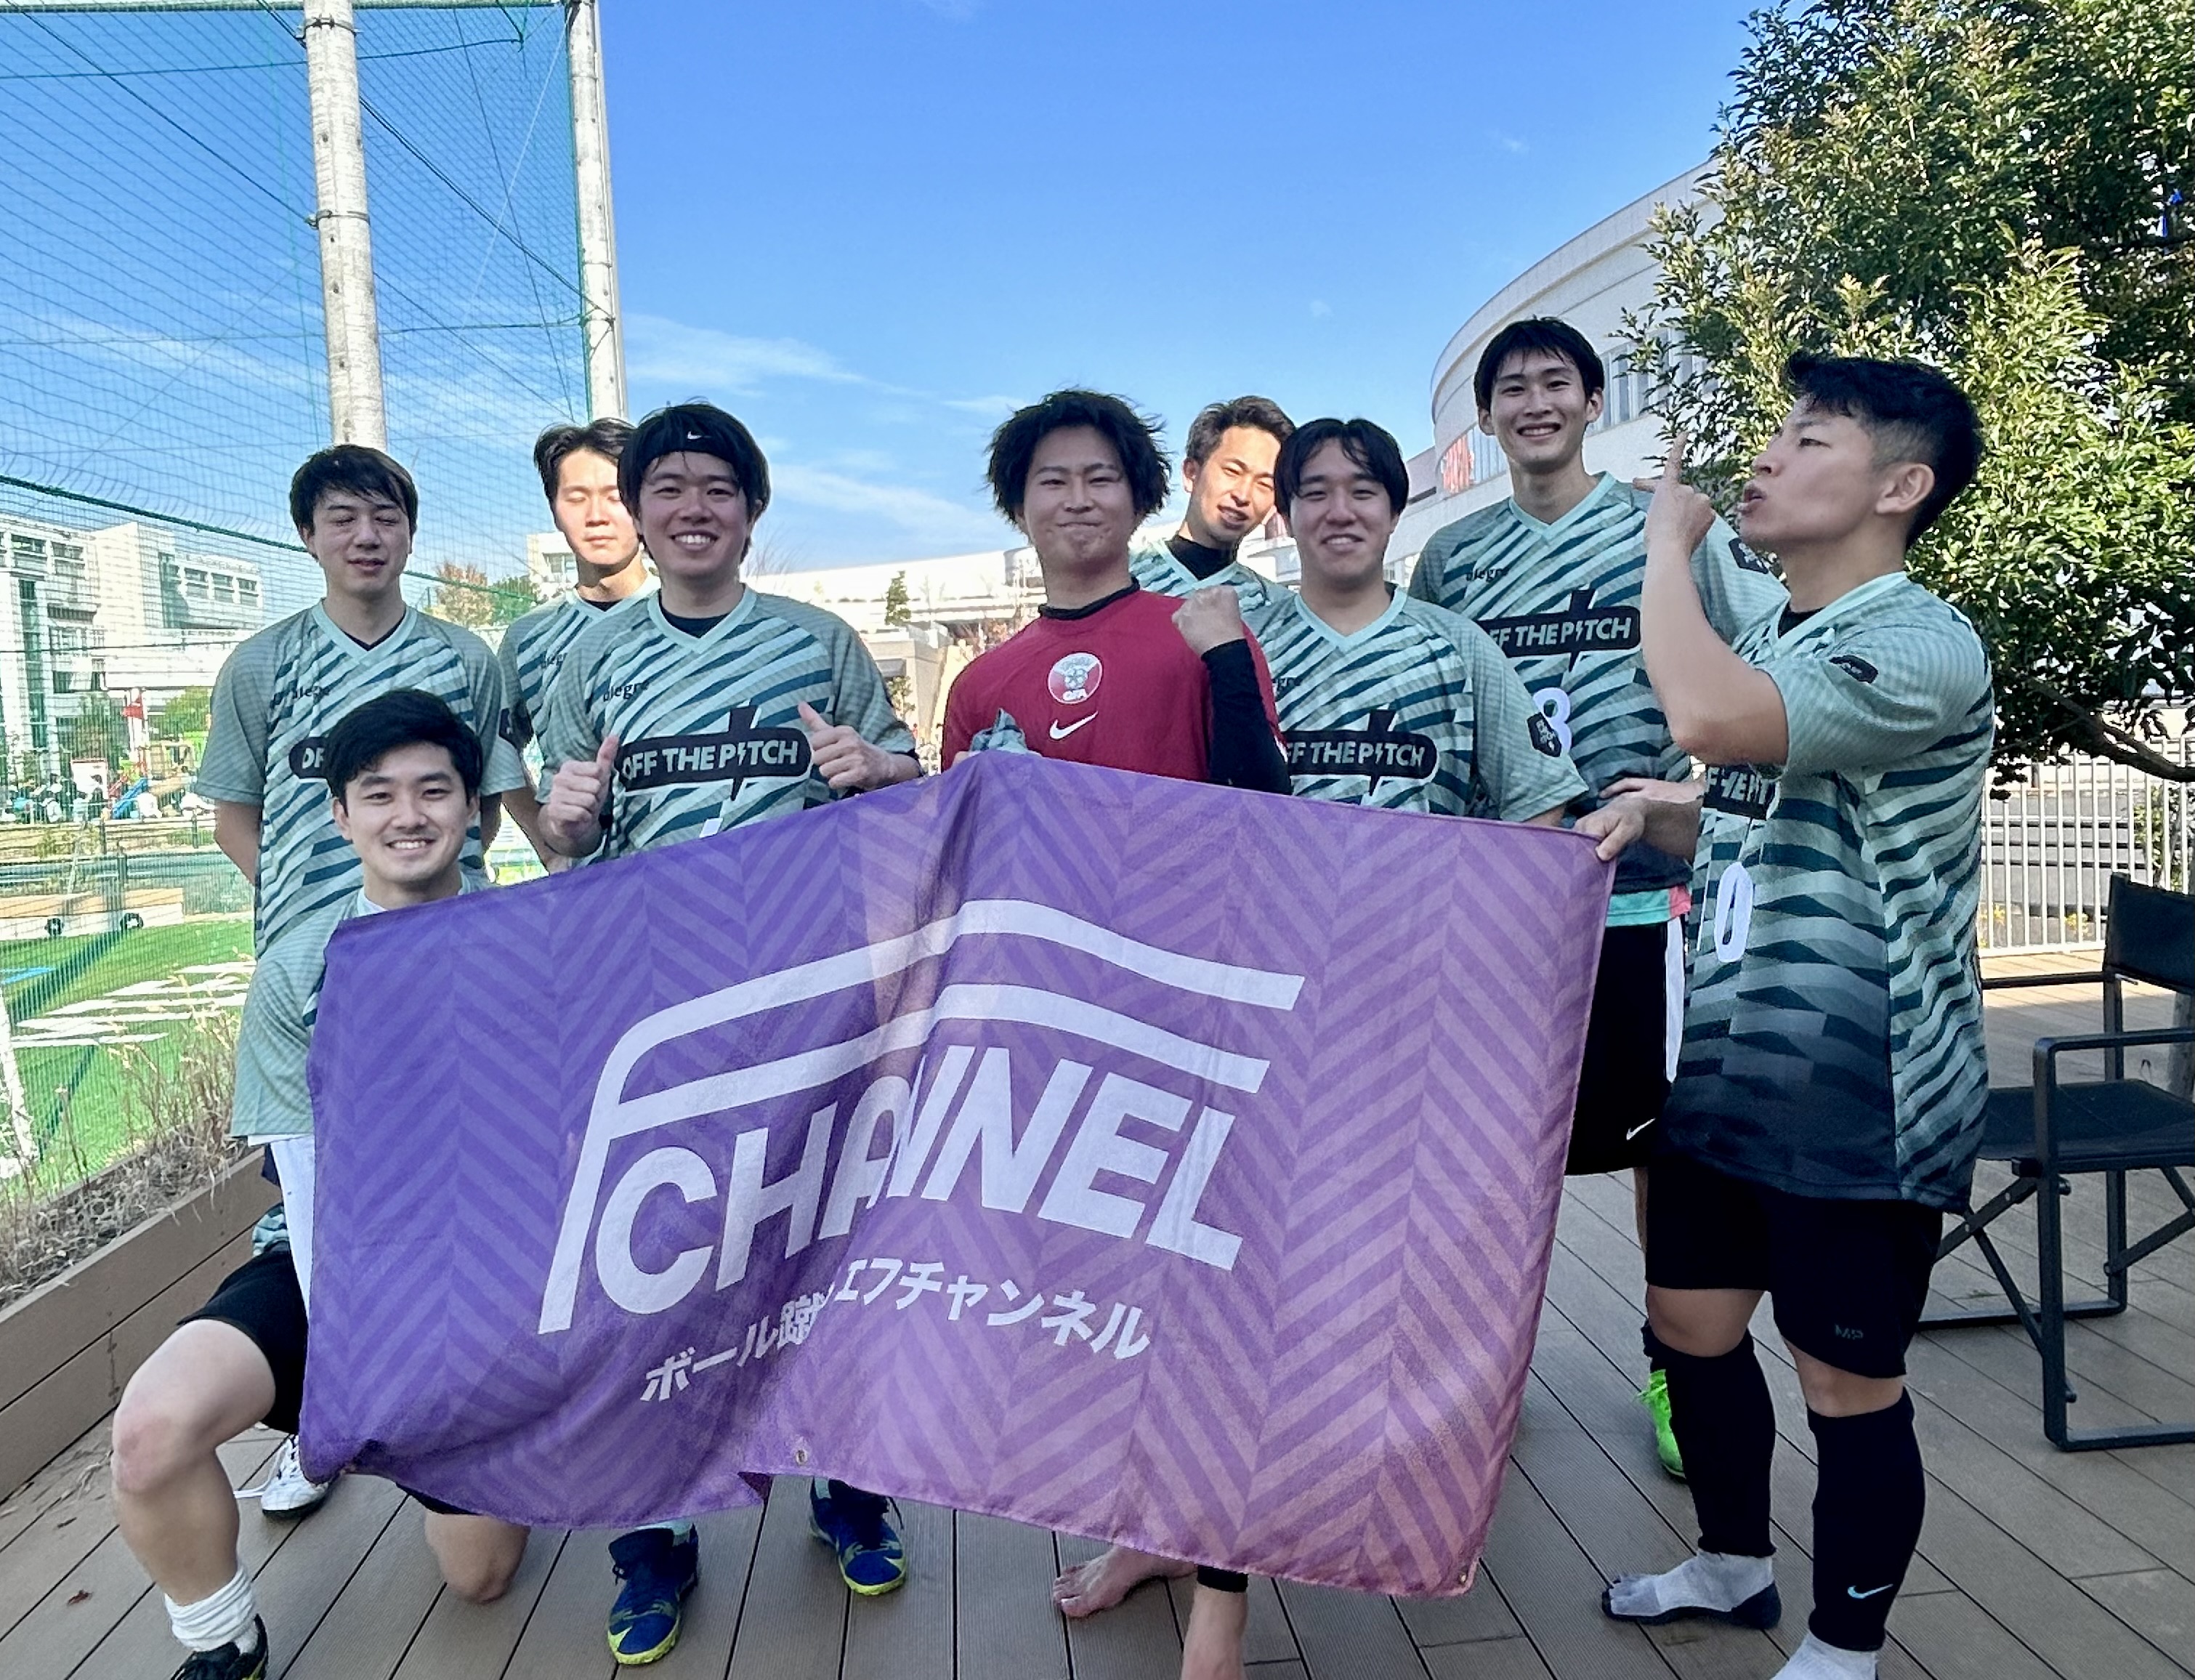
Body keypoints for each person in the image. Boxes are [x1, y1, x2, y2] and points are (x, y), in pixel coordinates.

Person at [1136, 417, 1589, 1680]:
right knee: (1220, 1300)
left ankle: (1368, 1507)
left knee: (1381, 1292)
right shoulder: (1234, 633)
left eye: (1362, 490)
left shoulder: (1456, 647)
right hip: (1250, 1021)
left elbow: (1539, 815)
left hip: (1411, 1028)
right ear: (1283, 515)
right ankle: (1213, 1590)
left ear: (1396, 509)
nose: (1338, 509)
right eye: (1314, 491)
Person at [1593, 355, 1990, 1680]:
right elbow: (1758, 797)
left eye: (1808, 439)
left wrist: (1663, 543)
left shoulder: (1921, 639)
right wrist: (1659, 815)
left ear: (1900, 485)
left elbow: (1709, 715)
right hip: (1724, 1066)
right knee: (1689, 1327)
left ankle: (1844, 1646)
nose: (1765, 457)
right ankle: (1732, 1561)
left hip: (1862, 1083)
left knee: (1843, 1380)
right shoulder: (1783, 634)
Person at [535, 401, 920, 1660]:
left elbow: (905, 785)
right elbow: (567, 842)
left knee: (821, 1259)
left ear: (752, 513)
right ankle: (652, 1533)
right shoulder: (594, 661)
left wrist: (879, 769)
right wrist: (567, 822)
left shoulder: (817, 643)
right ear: (639, 514)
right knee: (650, 1278)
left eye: (719, 488)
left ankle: (847, 1490)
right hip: (654, 1019)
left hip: (810, 1009)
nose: (694, 507)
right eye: (670, 487)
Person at [1407, 317, 1788, 1476]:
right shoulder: (1453, 558)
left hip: (1649, 899)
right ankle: (1480, 1373)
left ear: (1589, 400)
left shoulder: (1661, 528)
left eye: (1555, 382)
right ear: (1485, 418)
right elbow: (1435, 708)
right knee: (1486, 1152)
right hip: (1506, 904)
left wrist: (1697, 791)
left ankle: (1677, 1367)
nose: (1534, 403)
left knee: (1664, 1147)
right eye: (1512, 388)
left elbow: (1771, 659)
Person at [110, 692, 529, 1680]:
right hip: (331, 1262)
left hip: (492, 1280)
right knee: (150, 1431)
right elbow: (301, 1171)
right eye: (378, 794)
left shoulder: (530, 941)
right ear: (340, 815)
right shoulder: (300, 965)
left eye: (435, 790)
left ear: (474, 809)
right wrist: (349, 1355)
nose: (408, 814)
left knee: (479, 1575)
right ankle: (222, 1640)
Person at [194, 444, 526, 1517]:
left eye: (385, 516)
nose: (366, 536)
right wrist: (312, 923)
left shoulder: (465, 657)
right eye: (342, 517)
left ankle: (490, 1408)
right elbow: (234, 811)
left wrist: (422, 894)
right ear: (308, 535)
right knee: (318, 1185)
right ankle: (320, 1410)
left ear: (411, 533)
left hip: (444, 955)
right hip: (324, 975)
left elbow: (483, 804)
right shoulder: (261, 665)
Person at [942, 387, 1288, 792]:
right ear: (1019, 510)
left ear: (1139, 504)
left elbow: (1265, 803)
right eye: (1054, 482)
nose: (1078, 501)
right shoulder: (977, 686)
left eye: (1100, 480)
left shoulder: (1211, 639)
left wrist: (1229, 660)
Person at [498, 419, 653, 867]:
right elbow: (498, 749)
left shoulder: (688, 618)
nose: (597, 515)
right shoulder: (529, 637)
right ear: (554, 509)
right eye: (577, 497)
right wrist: (547, 846)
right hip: (583, 885)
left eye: (616, 495)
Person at [1127, 395, 1295, 614]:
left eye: (1264, 484)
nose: (1243, 495)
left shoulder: (1274, 609)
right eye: (1232, 471)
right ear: (1191, 474)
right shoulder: (1119, 576)